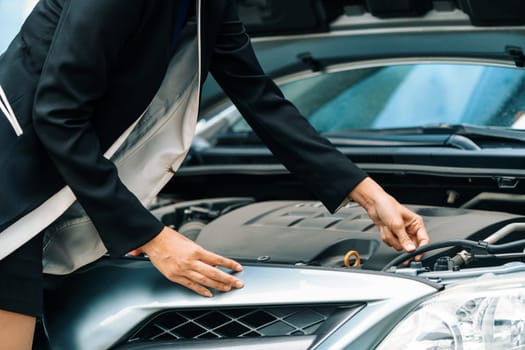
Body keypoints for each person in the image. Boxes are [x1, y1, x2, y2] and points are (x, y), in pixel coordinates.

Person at [0, 0, 429, 348]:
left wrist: (370, 195)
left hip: (56, 191)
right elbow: (57, 114)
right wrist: (153, 238)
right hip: (12, 195)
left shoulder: (208, 5)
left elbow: (258, 95)